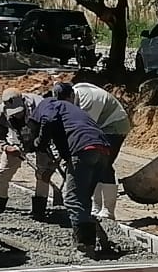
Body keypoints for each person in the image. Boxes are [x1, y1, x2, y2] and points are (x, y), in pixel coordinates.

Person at [29, 95, 115, 256]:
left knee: (72, 199)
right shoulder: (70, 111)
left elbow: (48, 120)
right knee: (83, 198)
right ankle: (99, 240)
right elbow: (64, 143)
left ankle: (85, 246)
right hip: (102, 149)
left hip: (83, 149)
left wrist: (39, 142)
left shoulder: (47, 105)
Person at [53, 81, 129, 220]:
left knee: (104, 164)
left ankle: (108, 210)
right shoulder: (72, 98)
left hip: (114, 126)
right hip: (97, 126)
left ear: (71, 95)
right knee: (93, 168)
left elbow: (86, 130)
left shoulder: (88, 101)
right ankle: (96, 206)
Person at [0, 88, 68, 218]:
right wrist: (6, 147)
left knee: (43, 174)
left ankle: (39, 211)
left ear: (24, 102)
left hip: (42, 141)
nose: (17, 115)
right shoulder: (1, 113)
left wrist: (53, 161)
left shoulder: (40, 106)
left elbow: (55, 134)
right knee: (3, 173)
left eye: (19, 112)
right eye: (13, 114)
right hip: (17, 142)